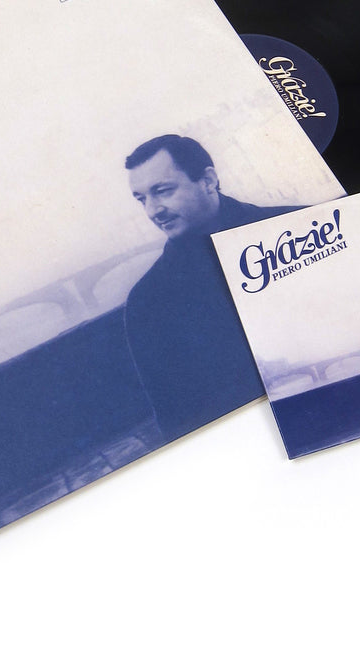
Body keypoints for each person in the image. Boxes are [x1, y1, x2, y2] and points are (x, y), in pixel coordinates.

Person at [123, 134, 296, 441]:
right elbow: (177, 419)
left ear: (208, 180)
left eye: (162, 191)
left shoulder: (300, 227)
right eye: (141, 199)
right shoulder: (147, 301)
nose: (152, 211)